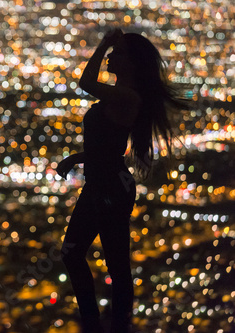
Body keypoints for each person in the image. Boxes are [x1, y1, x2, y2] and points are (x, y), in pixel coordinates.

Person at [56, 29, 187, 333]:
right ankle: (111, 325)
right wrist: (77, 159)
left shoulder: (127, 96)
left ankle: (101, 325)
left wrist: (102, 44)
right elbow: (109, 148)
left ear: (133, 63)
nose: (112, 57)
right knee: (105, 262)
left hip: (108, 189)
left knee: (84, 256)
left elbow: (86, 83)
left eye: (119, 52)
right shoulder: (122, 96)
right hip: (107, 184)